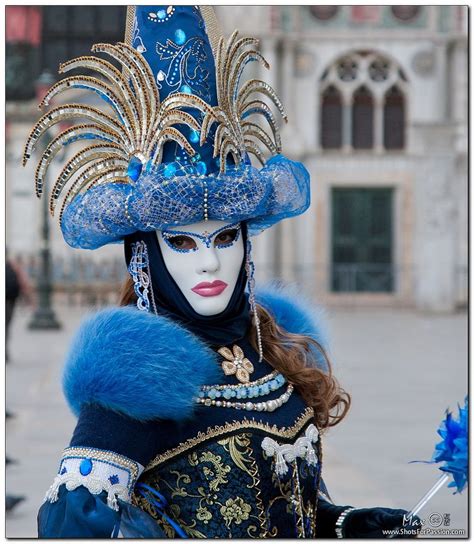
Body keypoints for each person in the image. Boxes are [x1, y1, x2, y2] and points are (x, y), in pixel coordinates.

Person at [24, 6, 420, 538]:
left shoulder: (274, 351)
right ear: (146, 256)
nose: (209, 261)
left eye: (226, 237)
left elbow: (290, 507)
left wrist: (347, 523)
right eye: (183, 242)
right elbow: (68, 529)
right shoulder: (133, 387)